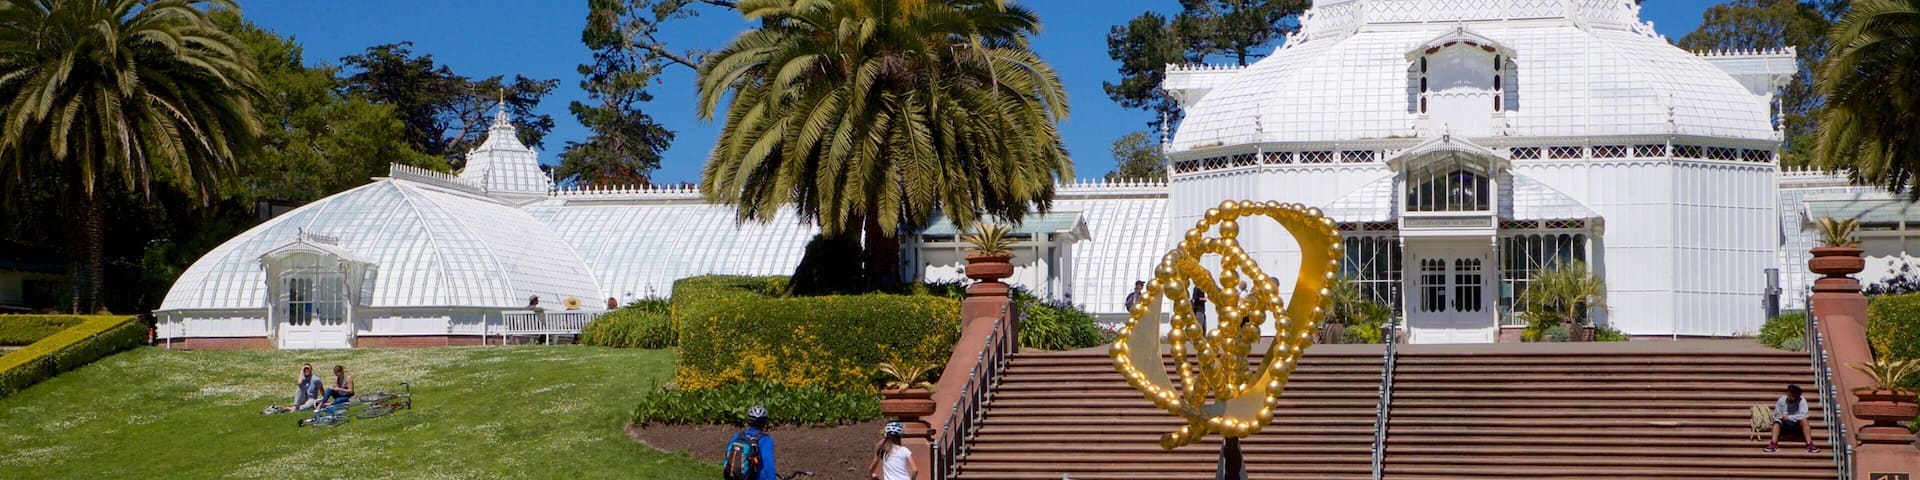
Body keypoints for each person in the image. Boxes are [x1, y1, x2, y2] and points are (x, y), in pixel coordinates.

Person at [722, 405, 777, 480]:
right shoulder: (766, 440)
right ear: (764, 422)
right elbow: (768, 462)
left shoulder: (737, 436)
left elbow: (728, 457)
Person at [1764, 384, 1818, 453]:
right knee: (1776, 422)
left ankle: (1809, 444)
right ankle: (1773, 444)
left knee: (1805, 421)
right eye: (1788, 395)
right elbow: (1776, 414)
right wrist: (1779, 416)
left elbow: (1804, 415)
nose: (1789, 398)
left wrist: (1789, 417)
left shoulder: (1802, 401)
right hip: (1784, 426)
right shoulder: (1782, 400)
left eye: (1792, 397)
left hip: (1797, 426)